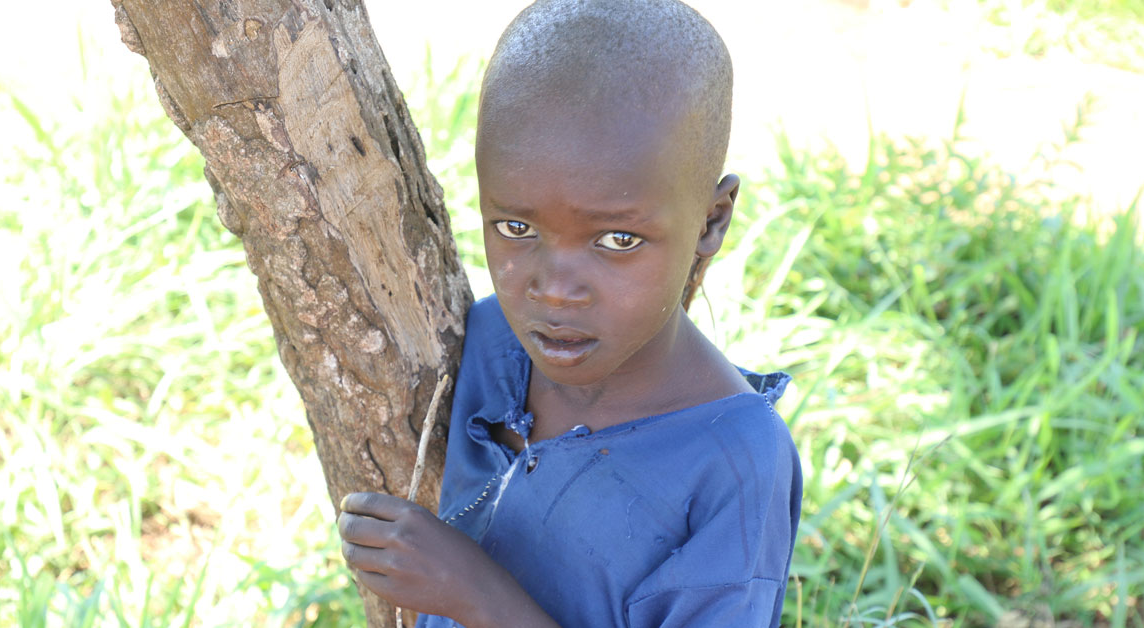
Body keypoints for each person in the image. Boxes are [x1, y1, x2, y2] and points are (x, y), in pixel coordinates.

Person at [336, 0, 802, 626]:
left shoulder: (735, 464)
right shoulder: (488, 343)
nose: (554, 291)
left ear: (711, 221)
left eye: (618, 239)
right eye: (515, 227)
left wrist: (476, 595)